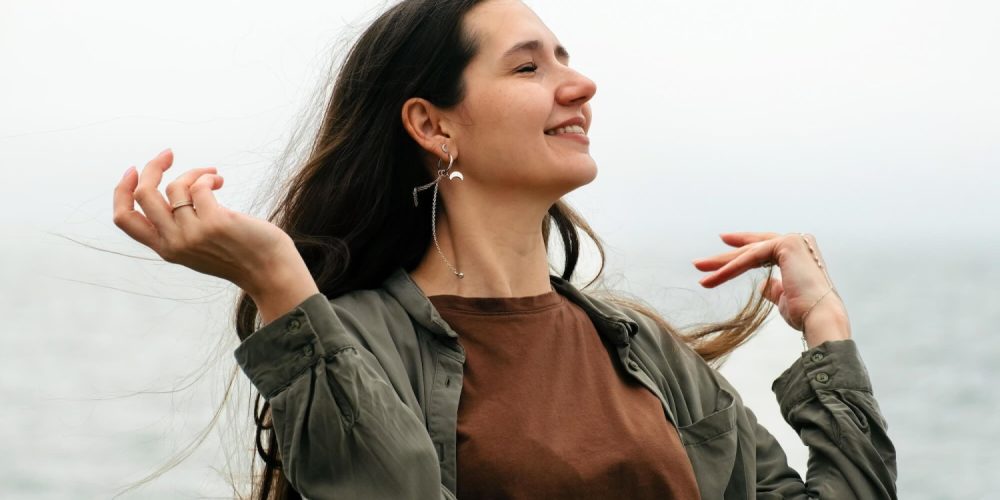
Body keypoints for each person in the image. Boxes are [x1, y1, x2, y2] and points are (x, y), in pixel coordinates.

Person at [112, 0, 897, 498]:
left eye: (565, 57)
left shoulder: (643, 351)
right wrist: (281, 284)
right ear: (433, 125)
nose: (579, 83)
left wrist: (826, 328)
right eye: (528, 65)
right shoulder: (347, 339)